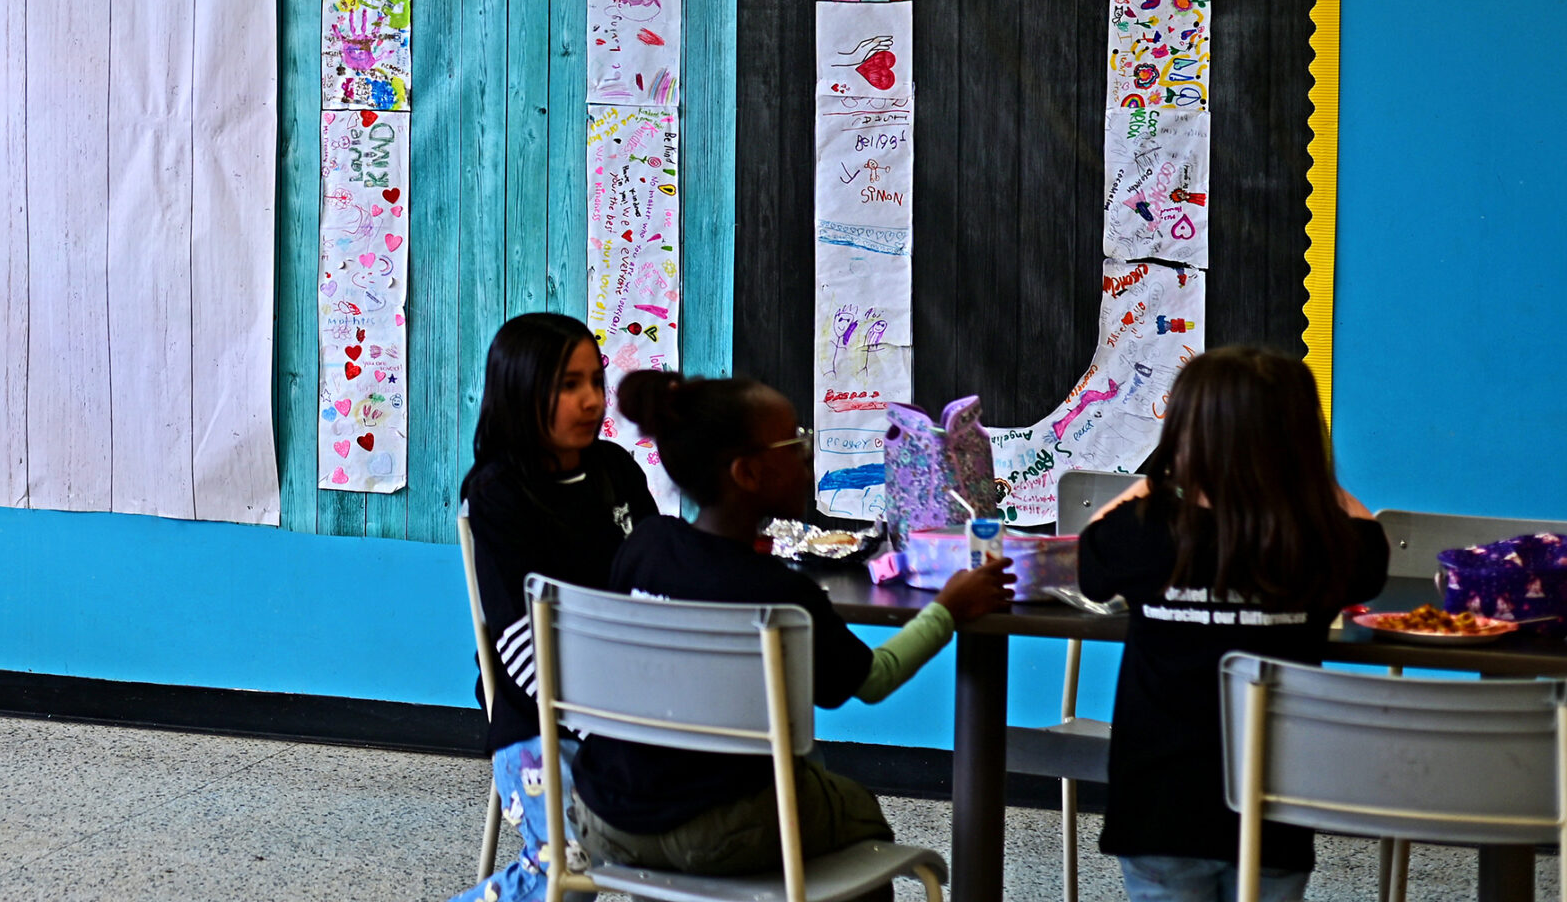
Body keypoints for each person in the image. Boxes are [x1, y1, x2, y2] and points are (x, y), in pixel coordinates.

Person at [567, 371, 1014, 881]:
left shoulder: (644, 546)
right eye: (795, 442)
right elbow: (873, 679)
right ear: (748, 474)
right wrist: (949, 610)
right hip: (724, 830)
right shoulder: (780, 593)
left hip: (606, 817)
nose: (808, 455)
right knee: (860, 816)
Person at [1079, 347, 1388, 902]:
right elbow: (1369, 552)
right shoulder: (1325, 540)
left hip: (1158, 805)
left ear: (1183, 430)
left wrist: (1157, 481)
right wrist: (1308, 485)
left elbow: (1091, 565)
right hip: (1276, 802)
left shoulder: (1143, 528)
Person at [453, 313, 659, 902]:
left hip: (630, 705)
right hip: (536, 715)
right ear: (521, 390)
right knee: (565, 878)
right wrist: (594, 720)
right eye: (570, 385)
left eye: (596, 381)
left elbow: (656, 579)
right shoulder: (497, 494)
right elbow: (516, 642)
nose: (592, 400)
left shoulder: (616, 471)